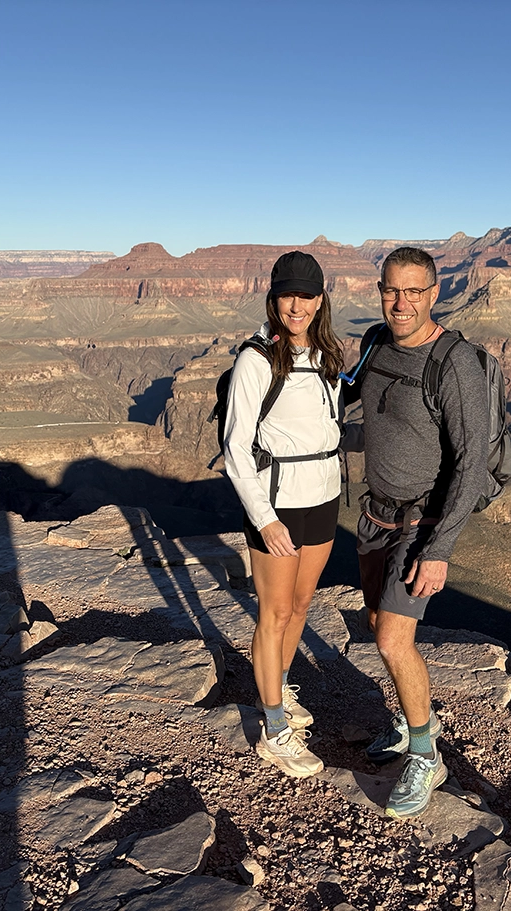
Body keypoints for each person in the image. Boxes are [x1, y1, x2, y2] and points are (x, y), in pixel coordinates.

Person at [352, 246, 488, 818]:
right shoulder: (373, 343)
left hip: (420, 524)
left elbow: (471, 463)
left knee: (392, 640)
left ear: (435, 293)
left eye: (414, 291)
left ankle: (427, 754)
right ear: (379, 290)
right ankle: (409, 728)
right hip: (374, 516)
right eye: (391, 290)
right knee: (376, 624)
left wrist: (439, 550)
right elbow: (345, 397)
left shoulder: (454, 363)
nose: (401, 302)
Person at [223, 250, 359, 778]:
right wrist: (264, 518)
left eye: (306, 295)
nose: (296, 305)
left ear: (321, 299)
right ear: (274, 298)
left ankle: (276, 686)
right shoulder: (256, 361)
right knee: (273, 613)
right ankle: (274, 728)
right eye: (287, 295)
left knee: (302, 604)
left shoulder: (328, 353)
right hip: (277, 503)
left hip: (323, 496)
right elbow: (236, 449)